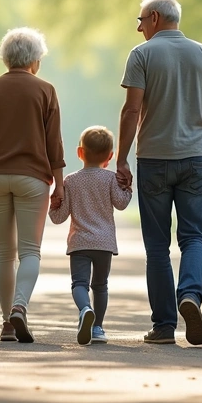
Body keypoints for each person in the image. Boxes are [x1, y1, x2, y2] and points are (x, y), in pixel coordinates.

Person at [115, 0, 202, 346]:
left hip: (153, 159)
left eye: (140, 20)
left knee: (157, 246)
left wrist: (121, 158)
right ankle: (190, 296)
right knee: (194, 236)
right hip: (196, 159)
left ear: (154, 17)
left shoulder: (142, 55)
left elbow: (131, 111)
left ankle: (164, 326)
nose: (138, 27)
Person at [0, 27, 65, 343]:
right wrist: (59, 184)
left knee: (3, 252)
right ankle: (20, 307)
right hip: (33, 178)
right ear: (35, 60)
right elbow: (54, 144)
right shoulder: (45, 90)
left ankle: (7, 322)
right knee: (30, 251)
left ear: (6, 58)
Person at [48, 126, 133, 345]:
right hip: (104, 243)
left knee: (79, 284)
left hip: (79, 243)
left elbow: (59, 217)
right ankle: (97, 328)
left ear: (80, 152)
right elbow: (121, 204)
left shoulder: (71, 181)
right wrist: (128, 188)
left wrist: (53, 205)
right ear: (110, 156)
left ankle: (85, 309)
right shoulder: (111, 179)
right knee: (101, 286)